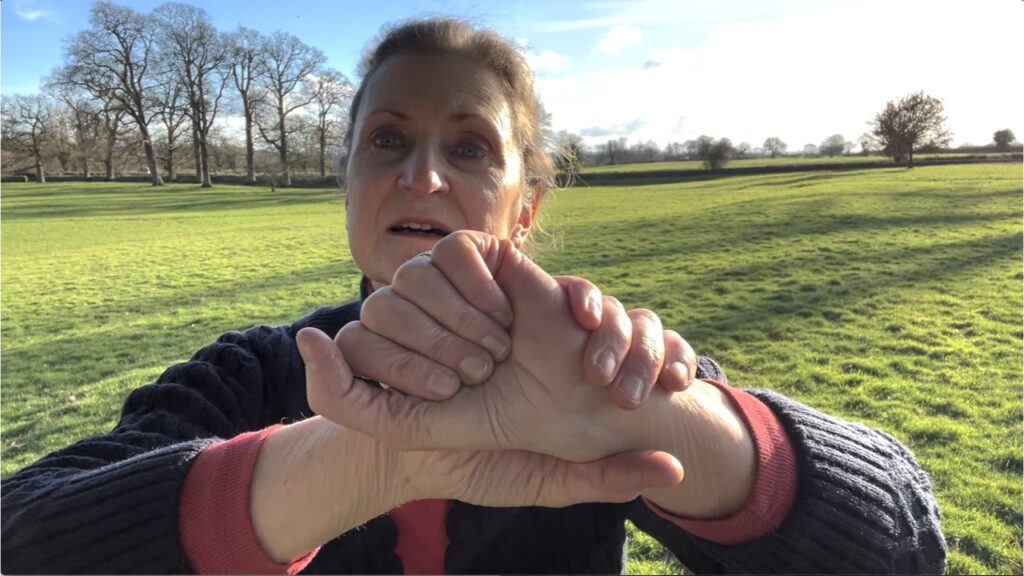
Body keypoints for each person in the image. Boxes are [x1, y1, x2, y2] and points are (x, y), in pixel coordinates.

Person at [0, 17, 945, 575]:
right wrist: (371, 457)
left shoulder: (599, 361)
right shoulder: (253, 374)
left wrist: (636, 415)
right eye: (387, 140)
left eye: (469, 147)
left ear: (525, 208)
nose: (422, 176)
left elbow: (901, 545)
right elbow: (25, 538)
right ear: (347, 185)